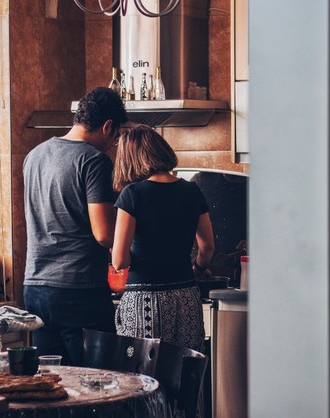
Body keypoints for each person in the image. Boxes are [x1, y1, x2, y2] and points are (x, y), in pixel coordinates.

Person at [22, 86, 127, 366]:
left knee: (54, 383)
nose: (113, 144)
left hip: (35, 287)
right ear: (107, 127)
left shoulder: (34, 156)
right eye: (116, 137)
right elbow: (104, 234)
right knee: (99, 385)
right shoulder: (94, 161)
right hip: (78, 290)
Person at [111, 124, 215, 352]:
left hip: (144, 301)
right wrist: (197, 269)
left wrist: (120, 251)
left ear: (130, 159)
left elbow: (119, 261)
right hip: (186, 296)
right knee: (185, 372)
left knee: (143, 378)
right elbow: (207, 246)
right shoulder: (191, 190)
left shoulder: (133, 194)